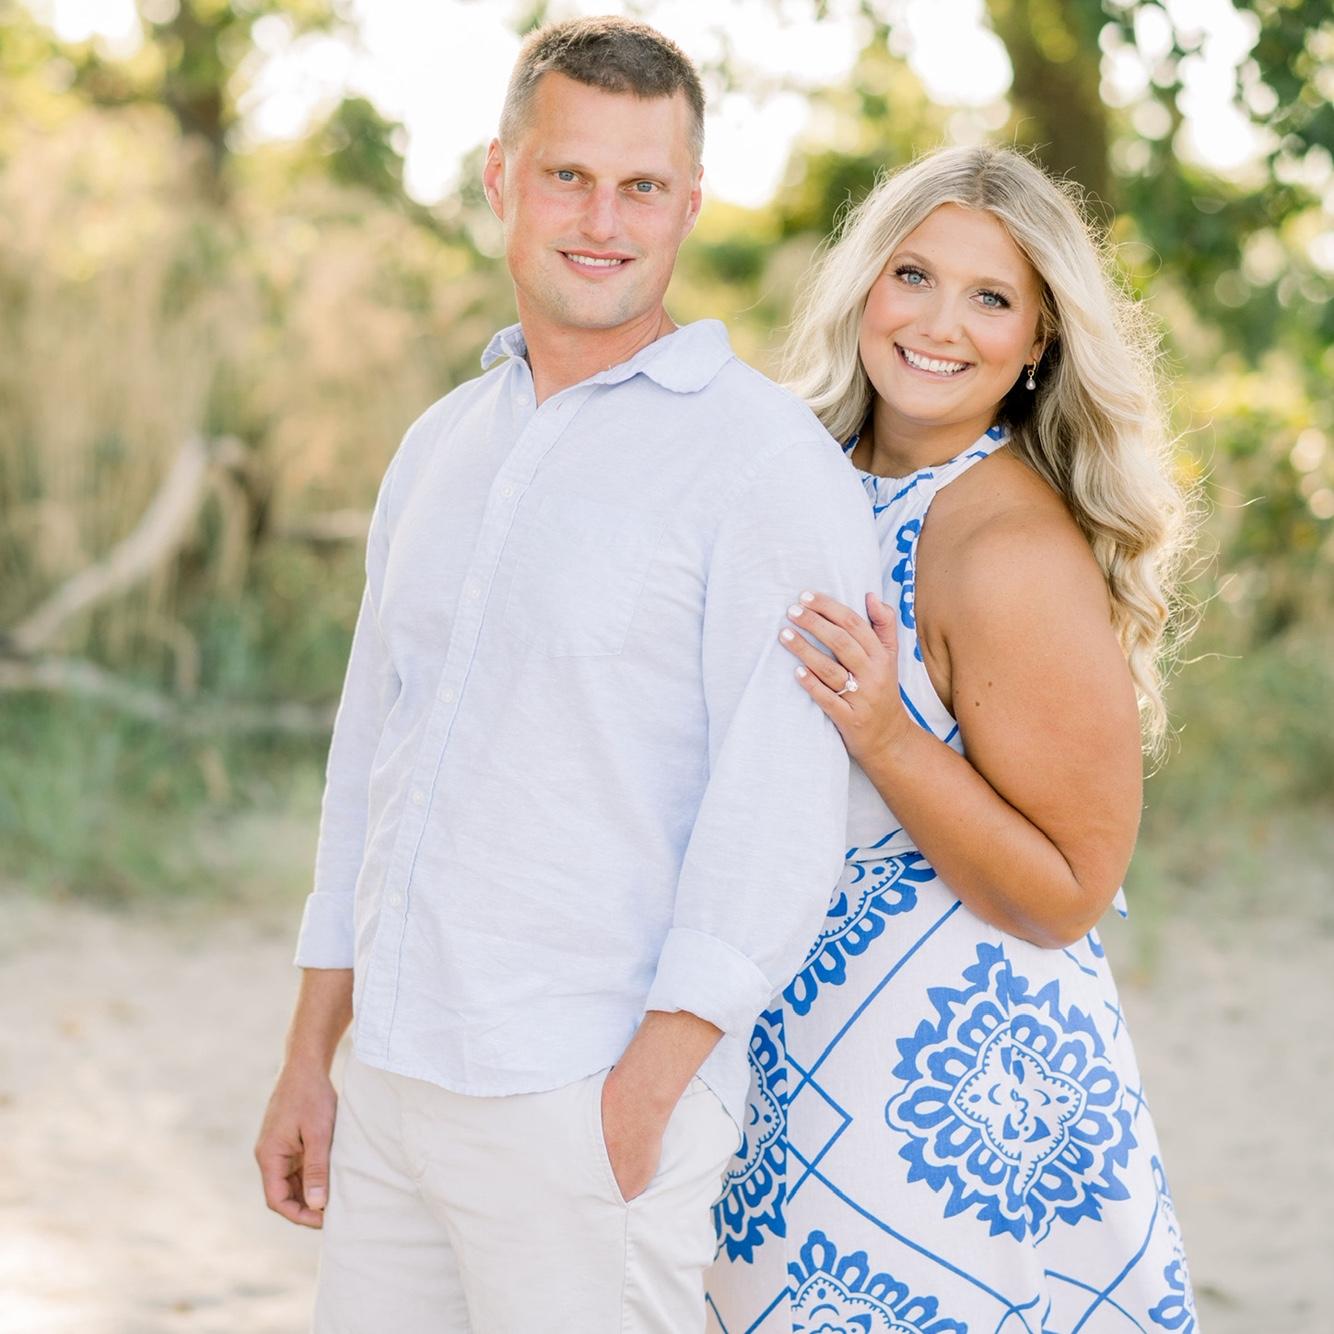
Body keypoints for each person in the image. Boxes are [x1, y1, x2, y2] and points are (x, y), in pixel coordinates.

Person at [253, 16, 881, 1333]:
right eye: (568, 176)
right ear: (501, 177)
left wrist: (643, 1091)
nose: (603, 220)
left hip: (580, 1096)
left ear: (690, 202)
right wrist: (314, 1053)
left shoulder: (763, 466)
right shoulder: (440, 443)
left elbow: (779, 810)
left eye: (641, 185)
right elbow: (369, 764)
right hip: (392, 1087)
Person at [706, 146, 1198, 1333]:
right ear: (864, 284)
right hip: (781, 1040)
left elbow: (1070, 889)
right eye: (913, 275)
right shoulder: (797, 474)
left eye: (989, 297)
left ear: (1036, 339)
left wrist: (885, 733)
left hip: (948, 1088)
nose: (937, 323)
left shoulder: (1005, 545)